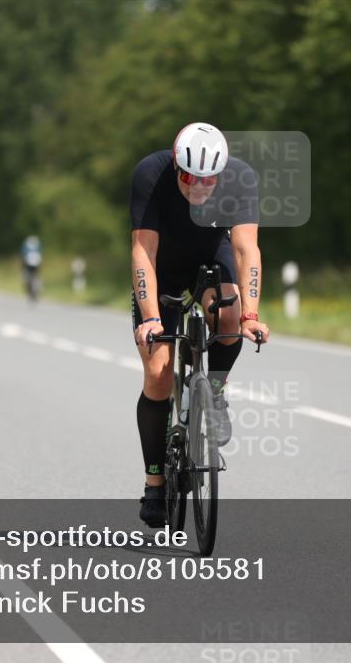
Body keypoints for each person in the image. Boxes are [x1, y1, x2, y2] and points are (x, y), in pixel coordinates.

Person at [130, 122, 270, 527]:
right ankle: (154, 482)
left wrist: (251, 315)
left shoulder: (240, 178)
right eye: (188, 177)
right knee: (158, 371)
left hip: (210, 256)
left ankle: (217, 392)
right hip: (162, 266)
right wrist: (151, 318)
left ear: (221, 174)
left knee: (228, 314)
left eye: (207, 179)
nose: (197, 186)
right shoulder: (150, 175)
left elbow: (247, 250)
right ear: (176, 166)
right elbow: (143, 252)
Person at [21, 235, 42, 302]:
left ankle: (31, 291)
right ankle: (37, 290)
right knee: (36, 276)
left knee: (27, 278)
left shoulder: (26, 246)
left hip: (28, 265)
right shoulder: (37, 246)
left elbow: (23, 255)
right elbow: (41, 255)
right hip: (36, 264)